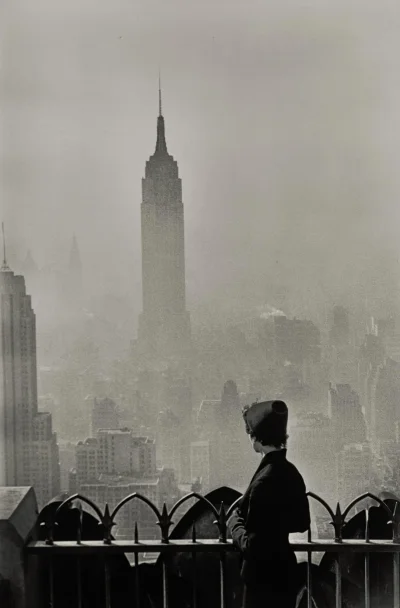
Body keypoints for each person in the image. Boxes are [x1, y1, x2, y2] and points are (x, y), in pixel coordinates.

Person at [227, 400, 311, 608]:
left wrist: (234, 523)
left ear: (257, 438)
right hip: (285, 574)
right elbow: (302, 522)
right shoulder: (292, 473)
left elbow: (253, 546)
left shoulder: (264, 481)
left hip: (261, 582)